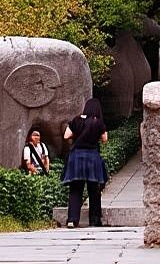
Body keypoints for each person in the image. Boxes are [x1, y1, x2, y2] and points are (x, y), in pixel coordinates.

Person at [61, 97, 108, 228]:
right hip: (92, 157)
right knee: (94, 189)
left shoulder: (76, 120)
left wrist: (77, 134)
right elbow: (105, 139)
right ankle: (94, 220)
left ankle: (72, 219)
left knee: (75, 188)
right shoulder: (98, 122)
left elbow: (66, 135)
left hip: (76, 157)